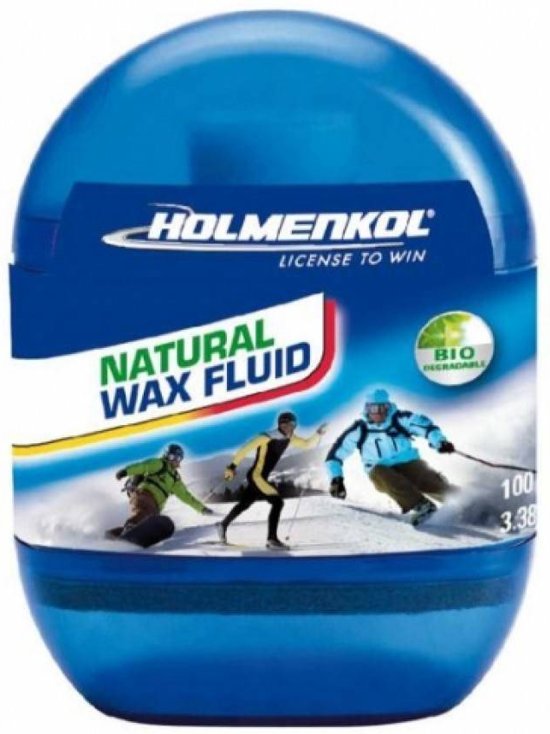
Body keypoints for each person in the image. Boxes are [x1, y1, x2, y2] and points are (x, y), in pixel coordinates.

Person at [325, 389, 455, 526]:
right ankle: (422, 506)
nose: (377, 413)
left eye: (382, 408)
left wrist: (439, 442)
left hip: (409, 463)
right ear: (366, 409)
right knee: (380, 472)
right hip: (380, 471)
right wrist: (336, 479)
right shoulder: (360, 429)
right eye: (373, 408)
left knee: (427, 480)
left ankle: (459, 501)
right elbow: (335, 455)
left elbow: (426, 427)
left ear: (388, 407)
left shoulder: (399, 419)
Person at [218, 412, 328, 548]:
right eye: (284, 424)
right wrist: (232, 467)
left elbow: (306, 444)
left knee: (244, 504)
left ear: (294, 426)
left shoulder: (290, 438)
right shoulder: (266, 436)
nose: (288, 427)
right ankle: (272, 539)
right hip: (256, 476)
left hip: (261, 477)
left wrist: (318, 433)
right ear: (280, 424)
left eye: (291, 424)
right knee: (277, 502)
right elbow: (245, 449)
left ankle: (223, 525)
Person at [106, 443, 213, 538]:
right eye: (171, 457)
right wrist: (125, 471)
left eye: (177, 458)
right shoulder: (160, 464)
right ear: (166, 455)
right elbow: (143, 466)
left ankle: (111, 536)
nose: (174, 460)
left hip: (155, 506)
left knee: (146, 521)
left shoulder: (175, 479)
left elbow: (186, 496)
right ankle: (130, 527)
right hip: (144, 494)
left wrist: (202, 509)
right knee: (145, 511)